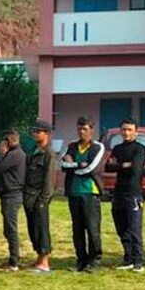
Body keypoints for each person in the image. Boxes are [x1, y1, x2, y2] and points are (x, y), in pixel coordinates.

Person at [61, 117, 105, 273]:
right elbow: (62, 165)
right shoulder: (71, 146)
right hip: (74, 192)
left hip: (90, 192)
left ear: (91, 129)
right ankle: (81, 260)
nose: (81, 132)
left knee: (92, 228)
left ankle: (95, 259)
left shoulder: (97, 147)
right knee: (77, 229)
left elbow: (91, 168)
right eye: (79, 129)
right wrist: (79, 164)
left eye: (85, 129)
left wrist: (72, 166)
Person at [104, 119, 145, 271]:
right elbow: (108, 167)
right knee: (121, 227)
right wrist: (124, 165)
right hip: (118, 192)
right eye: (124, 130)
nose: (126, 133)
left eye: (129, 130)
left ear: (135, 132)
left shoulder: (139, 148)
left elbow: (136, 169)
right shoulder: (117, 148)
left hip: (133, 193)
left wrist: (119, 165)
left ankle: (138, 261)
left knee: (134, 228)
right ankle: (128, 258)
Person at [24, 120, 58, 274]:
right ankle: (39, 258)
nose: (35, 134)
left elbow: (49, 180)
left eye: (38, 131)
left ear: (47, 134)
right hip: (30, 196)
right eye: (34, 131)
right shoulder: (34, 151)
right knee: (33, 229)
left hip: (39, 197)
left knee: (41, 228)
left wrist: (43, 200)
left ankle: (45, 262)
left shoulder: (49, 153)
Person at [0, 130, 27, 271]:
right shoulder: (16, 154)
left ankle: (14, 261)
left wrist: (2, 153)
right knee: (8, 229)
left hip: (12, 195)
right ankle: (13, 258)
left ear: (9, 141)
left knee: (11, 229)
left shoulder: (14, 155)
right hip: (9, 195)